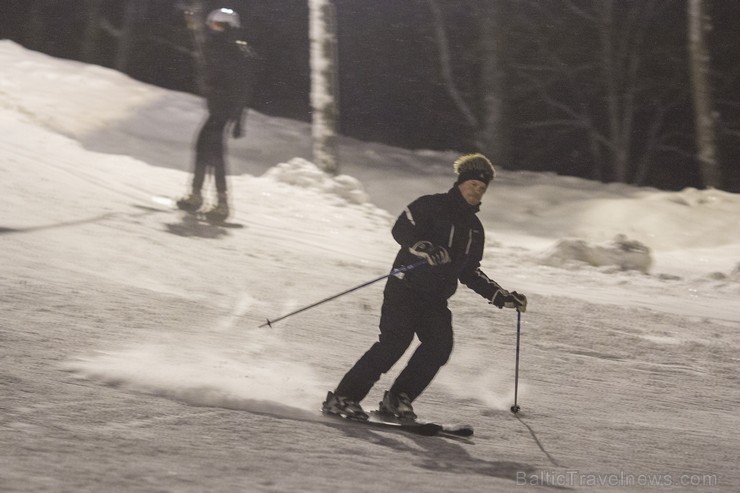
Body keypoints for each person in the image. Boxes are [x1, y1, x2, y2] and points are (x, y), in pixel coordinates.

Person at [322, 153, 528, 421]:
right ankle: (343, 398)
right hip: (405, 288)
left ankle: (397, 399)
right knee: (394, 343)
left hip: (435, 299)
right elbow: (401, 229)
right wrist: (424, 248)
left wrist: (500, 296)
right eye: (473, 185)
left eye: (482, 188)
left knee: (439, 346)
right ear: (460, 183)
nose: (476, 191)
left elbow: (469, 271)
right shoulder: (431, 205)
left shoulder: (475, 229)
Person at [177, 7, 258, 222]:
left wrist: (239, 119)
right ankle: (197, 195)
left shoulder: (238, 53)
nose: (213, 29)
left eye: (218, 25)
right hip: (217, 108)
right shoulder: (219, 48)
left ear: (228, 28)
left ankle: (221, 203)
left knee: (214, 153)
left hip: (224, 110)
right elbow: (210, 65)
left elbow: (242, 89)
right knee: (203, 148)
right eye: (211, 25)